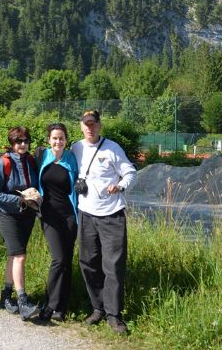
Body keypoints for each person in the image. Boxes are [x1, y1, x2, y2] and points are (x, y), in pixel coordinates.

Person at [71, 109, 137, 335]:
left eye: (94, 124)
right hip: (86, 214)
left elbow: (130, 172)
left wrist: (120, 186)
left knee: (113, 266)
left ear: (100, 125)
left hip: (111, 214)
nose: (90, 128)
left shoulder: (112, 148)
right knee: (88, 262)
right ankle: (97, 307)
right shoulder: (75, 147)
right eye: (86, 124)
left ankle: (114, 314)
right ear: (81, 126)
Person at [0, 126, 41, 320]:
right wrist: (17, 200)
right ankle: (23, 301)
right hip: (8, 216)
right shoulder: (4, 163)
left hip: (27, 215)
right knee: (20, 256)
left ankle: (6, 295)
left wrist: (34, 196)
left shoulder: (31, 161)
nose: (23, 144)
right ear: (12, 143)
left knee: (14, 255)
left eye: (26, 140)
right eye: (19, 141)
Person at [36, 122, 79, 322]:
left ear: (66, 140)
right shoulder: (41, 156)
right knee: (58, 259)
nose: (58, 141)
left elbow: (81, 180)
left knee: (67, 262)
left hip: (69, 216)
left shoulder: (71, 158)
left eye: (61, 138)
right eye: (54, 138)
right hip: (49, 216)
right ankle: (49, 304)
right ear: (49, 140)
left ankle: (61, 306)